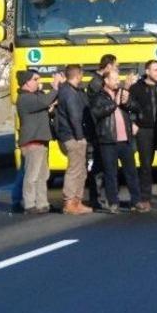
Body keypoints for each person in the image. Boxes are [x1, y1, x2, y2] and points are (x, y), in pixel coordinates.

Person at [88, 69, 143, 214]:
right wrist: (115, 103)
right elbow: (97, 113)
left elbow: (137, 107)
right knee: (110, 173)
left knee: (131, 172)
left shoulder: (122, 92)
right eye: (114, 79)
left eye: (118, 79)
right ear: (106, 80)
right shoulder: (98, 96)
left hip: (125, 140)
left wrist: (128, 103)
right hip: (108, 140)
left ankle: (136, 201)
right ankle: (113, 202)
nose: (118, 81)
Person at [15, 69, 63, 214]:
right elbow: (44, 101)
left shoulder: (34, 97)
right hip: (32, 142)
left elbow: (44, 104)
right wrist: (55, 88)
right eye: (35, 79)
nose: (38, 82)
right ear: (26, 82)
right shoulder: (25, 98)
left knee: (43, 175)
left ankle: (42, 203)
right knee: (32, 175)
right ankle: (29, 204)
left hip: (41, 141)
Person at [52, 64, 93, 215]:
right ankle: (70, 202)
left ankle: (77, 201)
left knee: (81, 169)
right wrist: (80, 137)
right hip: (72, 136)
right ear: (78, 76)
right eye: (81, 75)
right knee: (75, 169)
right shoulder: (69, 93)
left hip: (72, 134)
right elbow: (75, 117)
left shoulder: (71, 91)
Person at [128, 59, 157, 211]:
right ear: (147, 72)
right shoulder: (136, 88)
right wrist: (133, 122)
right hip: (144, 130)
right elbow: (129, 107)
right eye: (156, 70)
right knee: (145, 165)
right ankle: (145, 198)